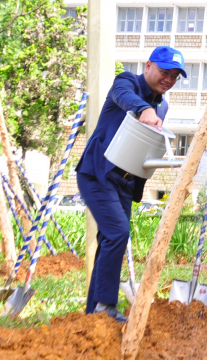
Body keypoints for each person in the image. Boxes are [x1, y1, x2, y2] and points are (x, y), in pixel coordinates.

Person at [77, 46, 187, 323]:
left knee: (109, 241)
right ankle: (106, 306)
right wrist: (142, 110)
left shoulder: (162, 105)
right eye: (164, 72)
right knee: (117, 233)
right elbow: (124, 96)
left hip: (125, 183)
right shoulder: (127, 81)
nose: (169, 79)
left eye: (174, 76)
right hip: (98, 174)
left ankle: (94, 314)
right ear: (148, 65)